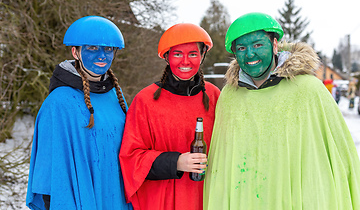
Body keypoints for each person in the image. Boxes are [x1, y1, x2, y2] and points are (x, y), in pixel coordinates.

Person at [204, 12, 360, 210]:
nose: (250, 54)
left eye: (258, 45)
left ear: (275, 44)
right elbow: (222, 162)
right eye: (242, 48)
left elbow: (339, 154)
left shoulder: (308, 89)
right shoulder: (230, 95)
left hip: (296, 199)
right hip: (246, 199)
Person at [26, 16, 133, 210]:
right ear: (75, 51)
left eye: (108, 49)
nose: (102, 55)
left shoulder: (115, 96)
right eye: (92, 48)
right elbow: (49, 172)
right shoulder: (58, 102)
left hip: (116, 198)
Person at [119, 23, 221, 210]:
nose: (185, 61)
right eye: (177, 54)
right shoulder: (145, 100)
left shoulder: (214, 97)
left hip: (205, 199)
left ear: (202, 55)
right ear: (167, 57)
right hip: (162, 201)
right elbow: (131, 159)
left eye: (192, 54)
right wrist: (176, 162)